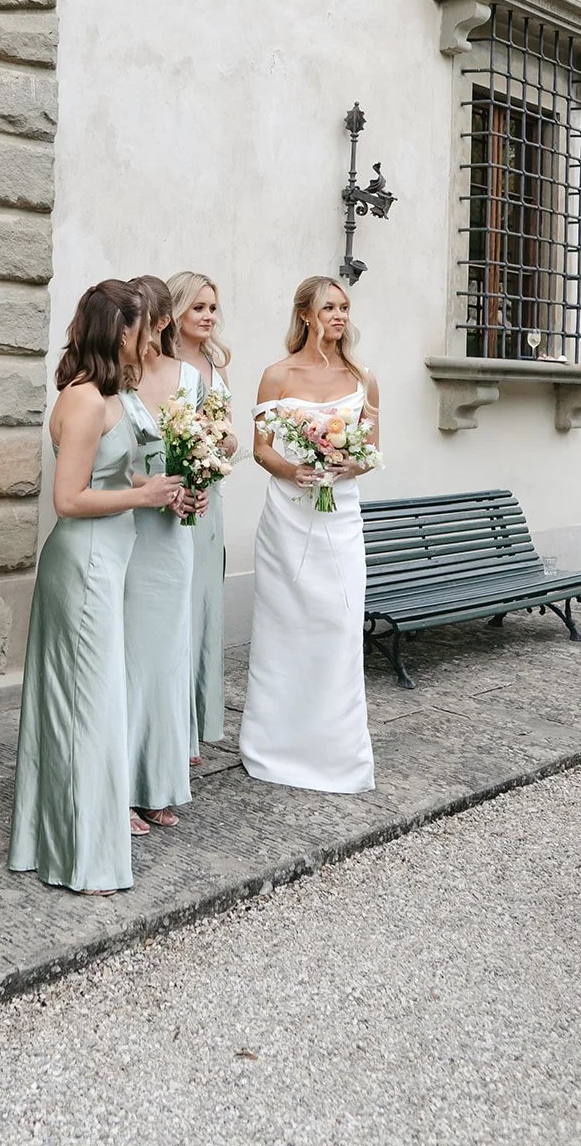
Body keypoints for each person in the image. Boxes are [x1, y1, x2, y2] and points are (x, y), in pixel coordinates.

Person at [8, 281, 183, 894]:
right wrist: (140, 495)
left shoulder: (112, 394)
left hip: (108, 557)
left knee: (89, 705)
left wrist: (161, 487)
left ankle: (57, 835)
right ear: (121, 330)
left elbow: (115, 472)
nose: (151, 337)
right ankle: (83, 856)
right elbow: (68, 498)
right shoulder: (83, 399)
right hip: (83, 565)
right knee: (87, 708)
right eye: (143, 328)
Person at [241, 276, 378, 793]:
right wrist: (292, 470)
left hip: (339, 518)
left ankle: (337, 753)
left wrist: (345, 464)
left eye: (344, 307)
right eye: (329, 307)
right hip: (288, 515)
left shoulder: (363, 378)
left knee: (339, 625)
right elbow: (261, 449)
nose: (339, 315)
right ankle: (273, 746)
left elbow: (370, 455)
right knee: (285, 627)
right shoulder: (277, 375)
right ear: (306, 315)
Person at [121, 276, 202, 832]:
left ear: (162, 322)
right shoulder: (112, 380)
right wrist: (143, 488)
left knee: (167, 658)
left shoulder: (190, 378)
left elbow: (221, 442)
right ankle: (120, 785)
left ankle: (159, 781)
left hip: (172, 538)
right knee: (127, 663)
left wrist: (199, 482)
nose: (132, 329)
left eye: (142, 318)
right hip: (125, 529)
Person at [168, 271, 236, 763]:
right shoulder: (162, 364)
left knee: (205, 604)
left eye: (213, 308)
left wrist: (226, 443)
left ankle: (194, 720)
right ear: (176, 311)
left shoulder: (216, 365)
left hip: (209, 492)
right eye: (199, 308)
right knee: (178, 607)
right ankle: (171, 724)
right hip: (173, 495)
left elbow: (227, 431)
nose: (209, 317)